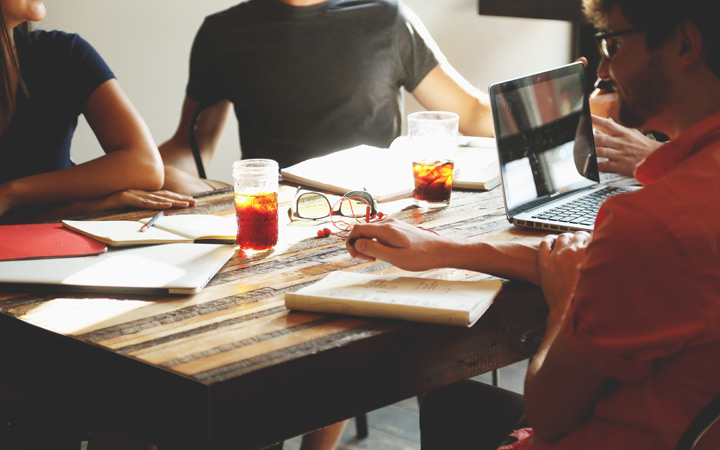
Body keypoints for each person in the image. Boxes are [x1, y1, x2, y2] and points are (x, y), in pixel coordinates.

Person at [344, 0, 720, 448]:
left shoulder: (652, 223)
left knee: (453, 406)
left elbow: (549, 412)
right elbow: (599, 262)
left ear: (684, 44)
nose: (603, 65)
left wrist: (564, 309)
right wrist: (447, 250)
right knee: (457, 404)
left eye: (614, 43)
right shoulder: (678, 212)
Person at [159, 0, 494, 195]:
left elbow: (470, 113)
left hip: (375, 210)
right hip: (279, 214)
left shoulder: (387, 18)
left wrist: (540, 123)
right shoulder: (222, 33)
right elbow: (192, 147)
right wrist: (143, 173)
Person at [0, 0, 196, 224]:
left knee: (178, 182)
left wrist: (11, 194)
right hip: (28, 237)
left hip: (58, 234)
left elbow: (145, 165)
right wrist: (86, 207)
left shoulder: (62, 52)